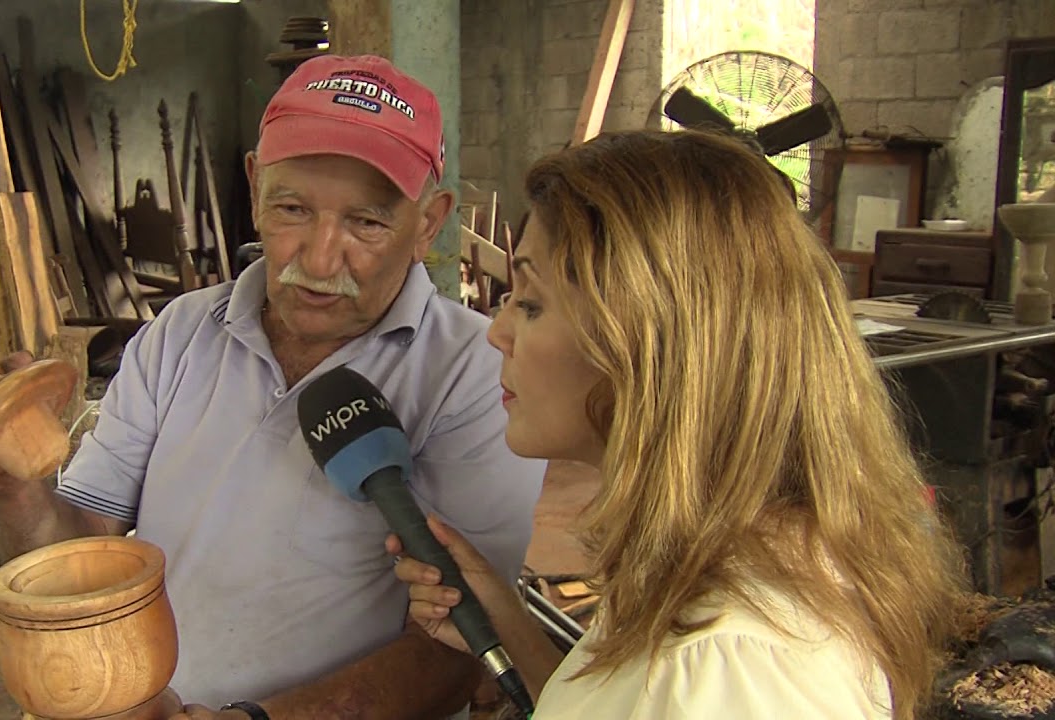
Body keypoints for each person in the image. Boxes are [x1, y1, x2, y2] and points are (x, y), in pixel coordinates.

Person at [0, 54, 546, 720]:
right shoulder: (179, 333)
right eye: (292, 209)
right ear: (254, 186)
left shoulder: (479, 373)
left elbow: (459, 647)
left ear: (429, 223)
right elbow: (73, 565)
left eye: (367, 222)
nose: (319, 259)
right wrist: (14, 486)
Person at [390, 129, 969, 719]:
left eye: (532, 304)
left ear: (649, 341)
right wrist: (507, 623)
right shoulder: (700, 571)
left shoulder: (738, 669)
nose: (498, 332)